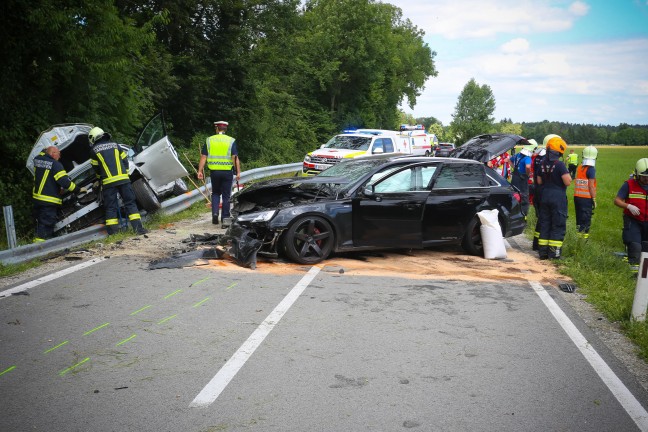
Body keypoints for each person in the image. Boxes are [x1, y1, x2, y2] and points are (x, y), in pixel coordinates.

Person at [88, 127, 148, 235]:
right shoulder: (115, 145)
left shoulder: (93, 151)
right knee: (130, 203)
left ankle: (113, 233)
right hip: (123, 180)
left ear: (93, 138)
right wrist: (123, 173)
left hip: (108, 183)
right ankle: (138, 229)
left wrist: (99, 179)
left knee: (111, 207)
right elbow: (125, 160)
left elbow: (96, 169)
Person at [31, 146, 85, 241]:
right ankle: (40, 248)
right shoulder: (56, 165)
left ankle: (39, 244)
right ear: (52, 153)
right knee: (46, 225)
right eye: (58, 154)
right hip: (48, 200)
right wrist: (78, 190)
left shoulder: (38, 160)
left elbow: (47, 175)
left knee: (40, 223)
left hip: (37, 199)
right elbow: (65, 182)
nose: (59, 157)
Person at [197, 120, 241, 227]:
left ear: (216, 128)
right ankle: (225, 218)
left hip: (214, 172)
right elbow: (235, 158)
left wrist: (199, 171)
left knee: (216, 193)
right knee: (226, 195)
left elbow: (203, 157)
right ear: (226, 129)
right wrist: (238, 171)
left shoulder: (209, 140)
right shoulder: (231, 140)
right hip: (227, 172)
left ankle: (215, 214)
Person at [536, 136, 571, 259]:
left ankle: (543, 252)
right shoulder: (560, 164)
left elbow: (539, 181)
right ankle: (554, 254)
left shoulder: (542, 163)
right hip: (557, 197)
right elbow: (567, 182)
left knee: (545, 223)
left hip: (545, 196)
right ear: (559, 151)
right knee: (558, 224)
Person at [614, 158, 648, 271]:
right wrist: (628, 206)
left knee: (646, 247)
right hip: (633, 220)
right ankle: (633, 274)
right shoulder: (629, 185)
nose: (646, 179)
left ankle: (644, 275)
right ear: (637, 174)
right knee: (635, 246)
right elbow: (617, 200)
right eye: (643, 177)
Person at [573, 146, 598, 239]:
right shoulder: (591, 169)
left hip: (577, 197)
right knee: (586, 221)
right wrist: (594, 199)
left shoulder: (580, 167)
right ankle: (583, 242)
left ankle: (578, 238)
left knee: (579, 220)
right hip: (586, 199)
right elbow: (591, 186)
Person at [510, 144, 533, 216]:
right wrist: (527, 174)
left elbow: (509, 160)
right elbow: (528, 166)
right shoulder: (527, 158)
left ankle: (513, 213)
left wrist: (515, 168)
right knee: (524, 196)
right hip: (522, 179)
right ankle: (523, 215)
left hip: (514, 178)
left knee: (514, 195)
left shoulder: (517, 155)